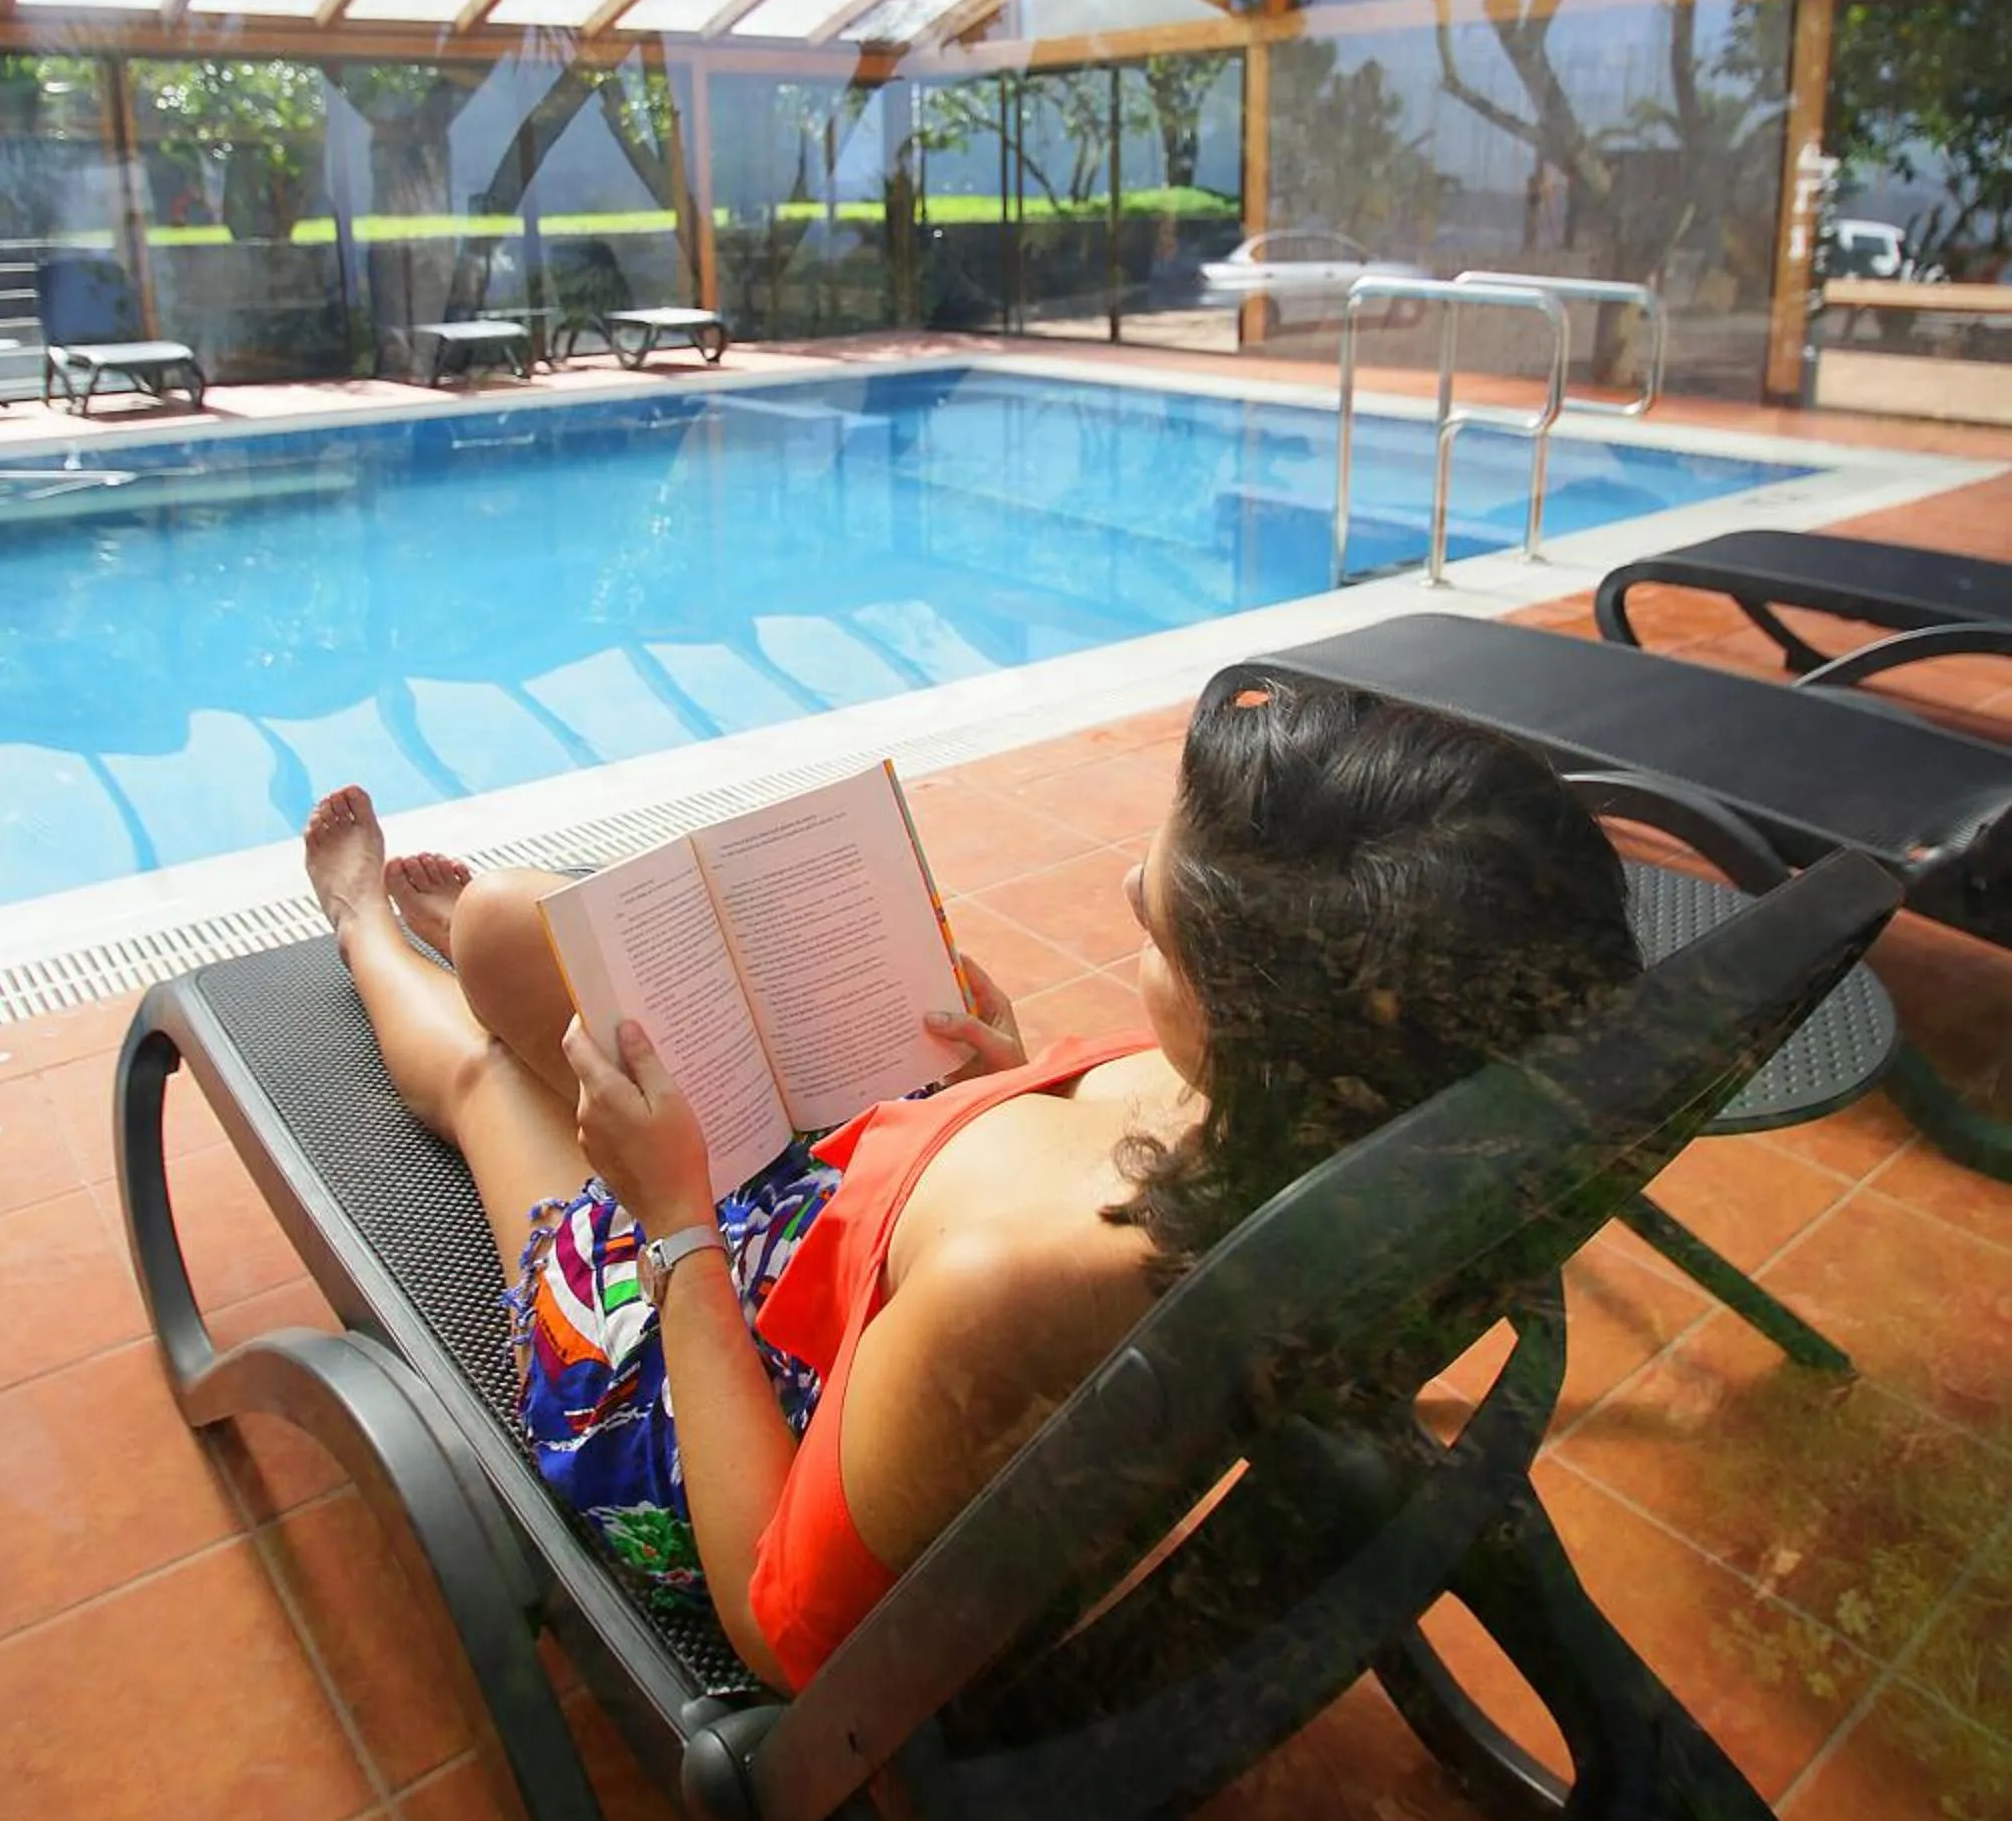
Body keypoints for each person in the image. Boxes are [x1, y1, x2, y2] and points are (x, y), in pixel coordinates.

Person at [301, 668, 1640, 1691]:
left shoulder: (1021, 1288)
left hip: (721, 1367)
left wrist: (670, 1220)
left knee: (497, 1079)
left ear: (1264, 1024)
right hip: (861, 1228)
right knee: (513, 929)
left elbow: (778, 1630)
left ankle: (364, 931)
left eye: (1158, 928)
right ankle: (493, 949)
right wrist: (1014, 1075)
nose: (1126, 880)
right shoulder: (1352, 1129)